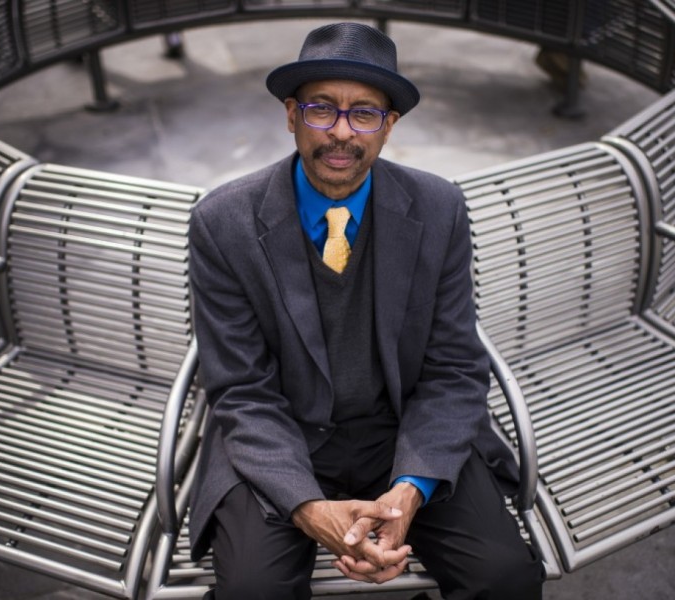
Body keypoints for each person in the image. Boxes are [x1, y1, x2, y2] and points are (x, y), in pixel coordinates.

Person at [187, 22, 545, 599]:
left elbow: (455, 366)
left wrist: (409, 491)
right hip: (281, 433)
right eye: (321, 109)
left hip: (405, 429)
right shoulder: (222, 222)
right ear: (291, 116)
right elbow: (240, 390)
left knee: (504, 578)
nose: (341, 132)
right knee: (254, 591)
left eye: (364, 114)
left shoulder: (439, 208)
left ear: (389, 125)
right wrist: (309, 508)